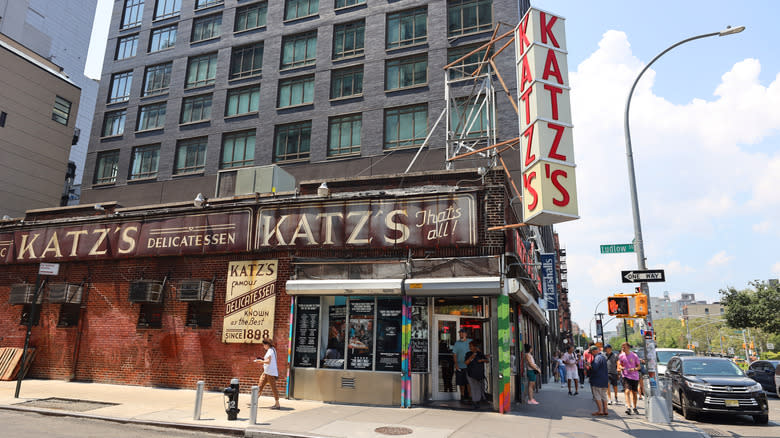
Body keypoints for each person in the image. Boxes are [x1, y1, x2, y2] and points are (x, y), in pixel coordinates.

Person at [254, 337, 280, 409]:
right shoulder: (272, 350)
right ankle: (254, 402)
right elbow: (268, 360)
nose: (263, 346)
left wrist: (260, 362)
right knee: (260, 386)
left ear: (267, 344)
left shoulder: (270, 351)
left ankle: (277, 404)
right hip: (266, 372)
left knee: (273, 387)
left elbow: (268, 361)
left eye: (264, 345)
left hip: (270, 372)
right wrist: (262, 359)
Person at [464, 340, 489, 409]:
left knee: (478, 388)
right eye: (469, 346)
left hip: (479, 374)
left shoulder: (479, 354)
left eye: (471, 346)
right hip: (470, 373)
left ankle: (477, 401)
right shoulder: (468, 354)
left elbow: (487, 360)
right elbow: (466, 363)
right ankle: (475, 401)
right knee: (473, 388)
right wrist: (471, 357)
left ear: (475, 347)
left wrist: (482, 360)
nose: (470, 347)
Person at [618, 342, 640, 415]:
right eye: (622, 347)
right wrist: (621, 367)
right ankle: (628, 407)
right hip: (626, 376)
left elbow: (639, 366)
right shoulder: (621, 356)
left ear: (628, 347)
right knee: (627, 391)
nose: (623, 348)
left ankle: (634, 407)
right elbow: (619, 365)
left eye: (624, 347)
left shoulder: (634, 355)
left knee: (634, 392)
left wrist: (634, 369)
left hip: (634, 376)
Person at [451, 328, 472, 401]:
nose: (461, 334)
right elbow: (454, 354)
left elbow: (475, 351)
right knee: (461, 383)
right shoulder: (457, 343)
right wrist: (456, 364)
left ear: (466, 334)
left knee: (469, 382)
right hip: (460, 366)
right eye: (460, 333)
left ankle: (470, 397)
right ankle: (462, 396)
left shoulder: (470, 342)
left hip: (469, 366)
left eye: (462, 333)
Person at [588, 345, 609, 416]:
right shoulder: (603, 357)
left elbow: (595, 368)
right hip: (604, 379)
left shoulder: (597, 358)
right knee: (604, 395)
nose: (591, 354)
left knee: (597, 395)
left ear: (594, 351)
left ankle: (600, 410)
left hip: (597, 379)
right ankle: (605, 410)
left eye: (591, 353)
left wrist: (589, 366)